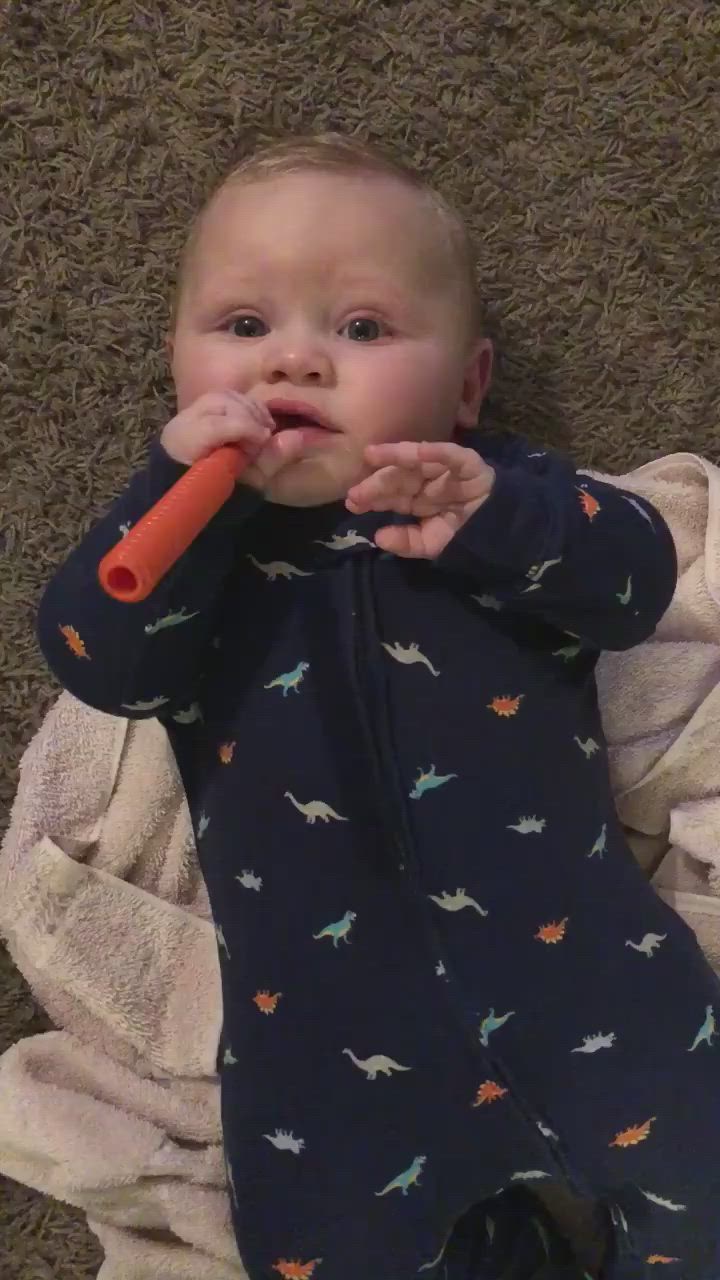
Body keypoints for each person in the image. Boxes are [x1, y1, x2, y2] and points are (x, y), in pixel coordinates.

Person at [36, 132, 720, 1280]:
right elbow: (95, 658)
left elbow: (636, 580)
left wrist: (501, 515)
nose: (293, 362)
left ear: (467, 382)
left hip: (589, 980)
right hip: (323, 1040)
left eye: (361, 328)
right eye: (243, 327)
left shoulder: (497, 494)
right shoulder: (191, 548)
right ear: (177, 365)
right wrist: (168, 494)